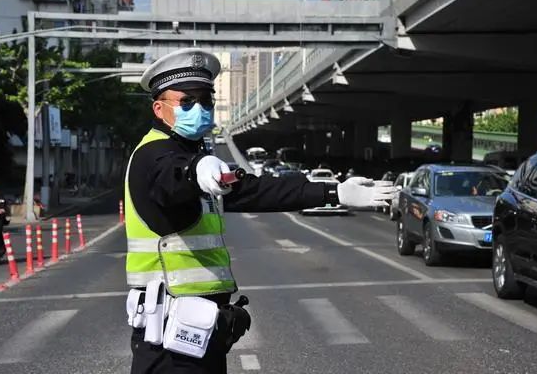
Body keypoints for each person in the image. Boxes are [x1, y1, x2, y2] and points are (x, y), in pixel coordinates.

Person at [125, 48, 396, 374]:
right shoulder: (153, 156)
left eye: (206, 100)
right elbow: (173, 176)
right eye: (186, 102)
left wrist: (333, 191)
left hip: (200, 331)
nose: (199, 108)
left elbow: (259, 190)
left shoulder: (190, 154)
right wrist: (198, 169)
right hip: (169, 341)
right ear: (159, 108)